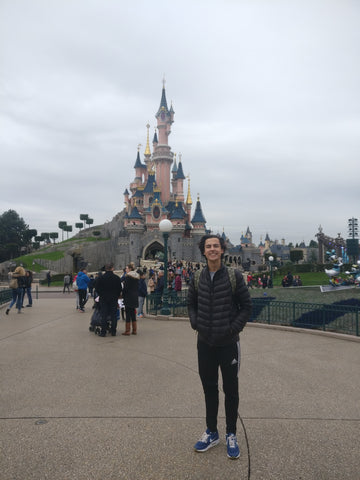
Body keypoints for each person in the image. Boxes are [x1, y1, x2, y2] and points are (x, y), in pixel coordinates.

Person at [187, 234, 252, 460]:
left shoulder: (234, 276)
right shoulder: (197, 277)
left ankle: (231, 433)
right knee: (209, 388)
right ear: (203, 251)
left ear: (222, 250)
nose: (212, 249)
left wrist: (233, 328)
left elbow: (246, 306)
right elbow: (191, 303)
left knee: (231, 390)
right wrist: (196, 322)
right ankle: (212, 431)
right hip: (205, 342)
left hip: (228, 344)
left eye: (216, 246)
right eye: (208, 246)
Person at [95, 263, 122, 337]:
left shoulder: (101, 278)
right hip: (113, 298)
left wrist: (101, 294)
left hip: (104, 298)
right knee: (113, 315)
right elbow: (119, 289)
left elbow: (97, 288)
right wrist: (116, 295)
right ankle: (113, 331)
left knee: (104, 315)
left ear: (105, 269)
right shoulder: (116, 278)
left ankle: (103, 332)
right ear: (112, 268)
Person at [122, 263, 140, 335]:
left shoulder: (128, 277)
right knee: (133, 314)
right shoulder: (136, 277)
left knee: (128, 314)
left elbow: (125, 288)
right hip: (135, 297)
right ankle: (134, 330)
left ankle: (127, 330)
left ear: (129, 269)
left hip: (128, 297)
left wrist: (123, 294)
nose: (125, 270)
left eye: (126, 268)